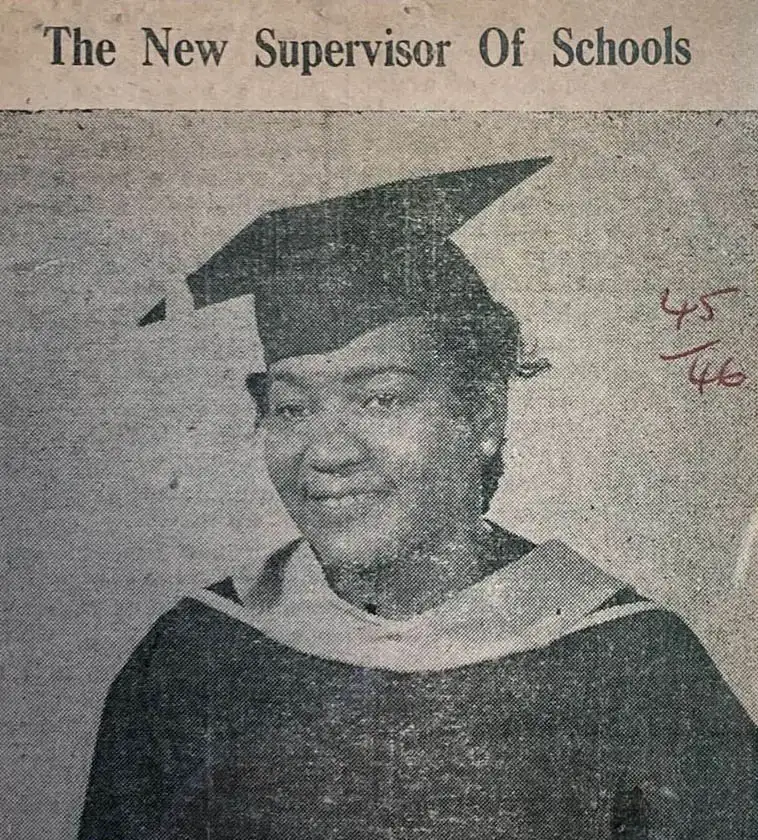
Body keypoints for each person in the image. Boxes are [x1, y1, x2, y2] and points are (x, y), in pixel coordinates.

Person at [79, 160, 757, 840]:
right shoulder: (194, 659)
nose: (328, 450)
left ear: (483, 414)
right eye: (291, 408)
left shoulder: (633, 665)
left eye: (381, 398)